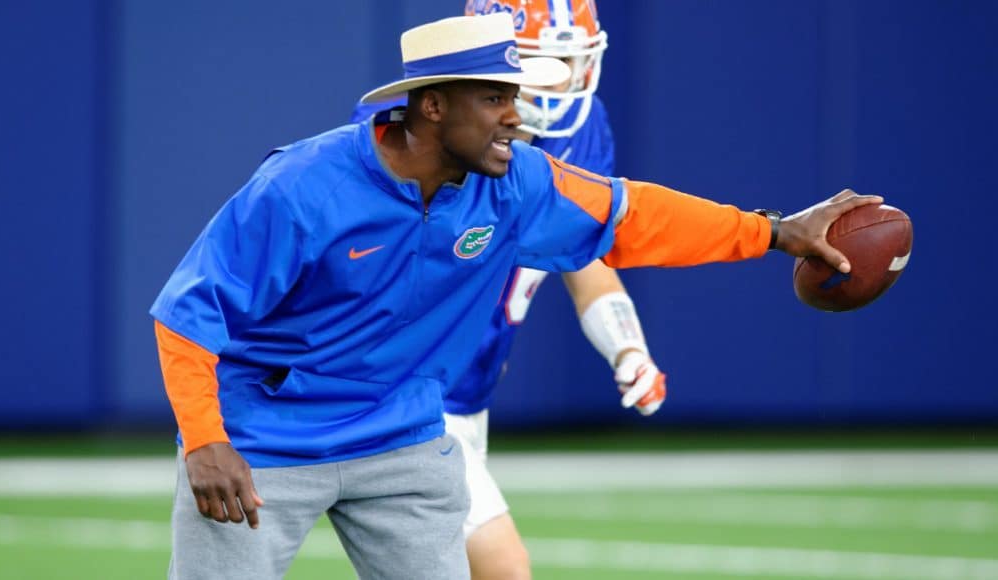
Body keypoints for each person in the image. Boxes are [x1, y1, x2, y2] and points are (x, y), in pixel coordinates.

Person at [151, 12, 881, 580]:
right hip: (261, 441)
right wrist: (207, 439)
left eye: (517, 98)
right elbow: (188, 313)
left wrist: (775, 231)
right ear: (431, 107)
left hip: (398, 433)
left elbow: (636, 216)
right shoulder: (301, 188)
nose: (517, 116)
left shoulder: (519, 183)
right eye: (495, 98)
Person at [350, 2, 663, 578]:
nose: (567, 79)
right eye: (552, 61)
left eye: (576, 60)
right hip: (404, 390)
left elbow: (582, 254)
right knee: (504, 570)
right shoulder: (427, 136)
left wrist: (627, 346)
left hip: (464, 393)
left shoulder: (581, 130)